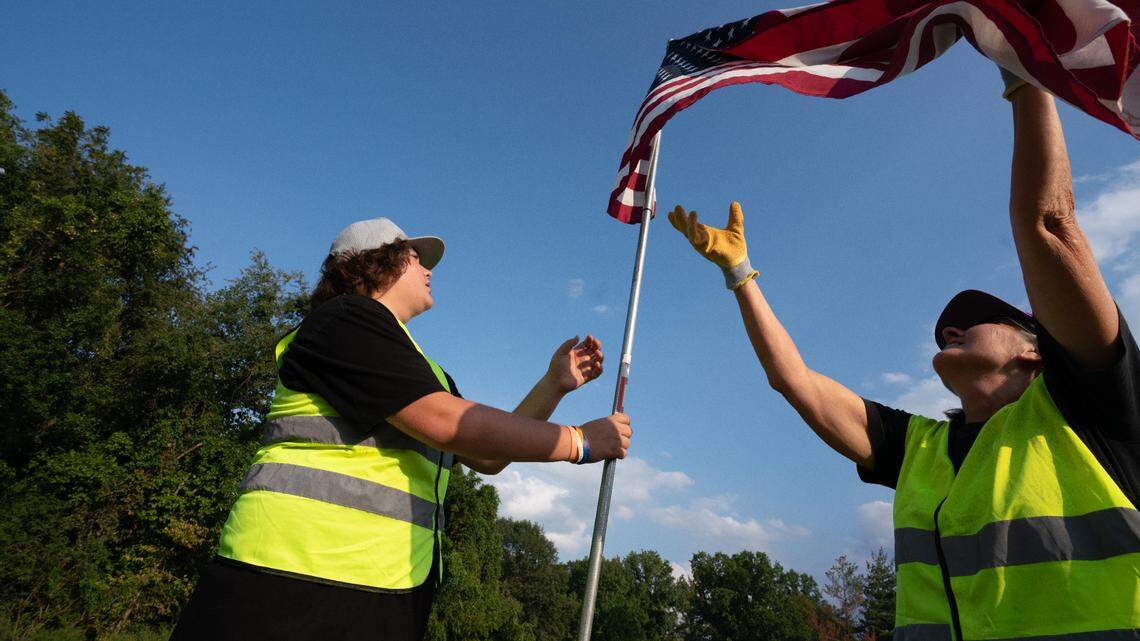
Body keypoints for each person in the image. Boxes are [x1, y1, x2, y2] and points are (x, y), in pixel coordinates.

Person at [667, 74, 1140, 639]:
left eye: (975, 320)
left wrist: (1027, 73)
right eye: (944, 332)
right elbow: (792, 379)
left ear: (1035, 352)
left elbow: (1050, 225)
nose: (950, 330)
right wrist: (741, 275)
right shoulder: (917, 449)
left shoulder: (1091, 408)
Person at [171, 217, 632, 641]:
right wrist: (582, 442)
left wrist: (554, 385)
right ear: (372, 263)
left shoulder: (423, 369)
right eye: (415, 257)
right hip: (289, 580)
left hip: (383, 589)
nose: (428, 268)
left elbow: (487, 456)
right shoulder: (343, 320)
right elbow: (448, 423)